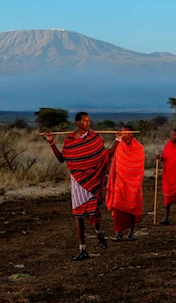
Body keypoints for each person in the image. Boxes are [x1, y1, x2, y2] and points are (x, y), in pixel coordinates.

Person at [44, 112, 111, 261]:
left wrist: (118, 140)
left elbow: (104, 156)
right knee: (78, 215)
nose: (89, 123)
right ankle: (82, 248)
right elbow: (62, 159)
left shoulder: (94, 138)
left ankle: (98, 230)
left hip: (92, 180)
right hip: (78, 181)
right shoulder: (69, 140)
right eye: (86, 121)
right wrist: (51, 142)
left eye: (89, 121)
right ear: (78, 122)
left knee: (93, 209)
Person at [105, 126, 145, 241]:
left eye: (126, 132)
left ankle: (131, 232)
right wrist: (117, 140)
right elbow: (110, 156)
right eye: (122, 132)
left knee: (132, 207)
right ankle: (118, 232)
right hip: (120, 182)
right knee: (118, 206)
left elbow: (139, 167)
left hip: (133, 183)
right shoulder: (118, 146)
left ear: (132, 134)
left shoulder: (139, 148)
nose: (124, 134)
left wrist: (134, 180)